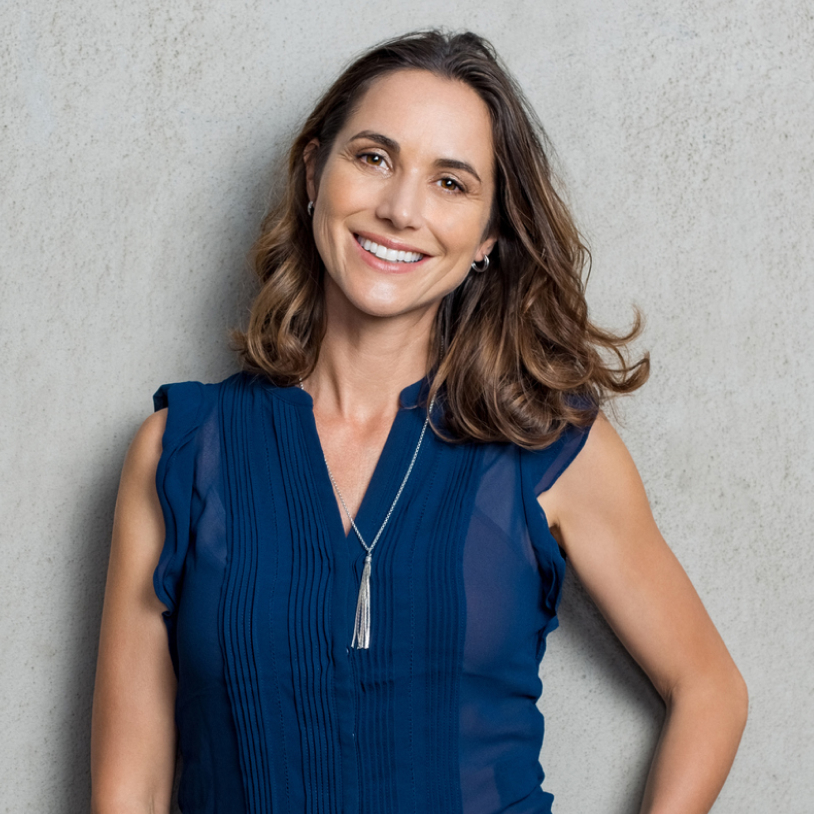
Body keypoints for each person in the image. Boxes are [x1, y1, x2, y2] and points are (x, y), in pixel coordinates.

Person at [90, 29, 747, 814]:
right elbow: (131, 789)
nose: (401, 210)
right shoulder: (182, 452)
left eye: (451, 183)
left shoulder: (550, 447)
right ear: (314, 173)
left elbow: (710, 689)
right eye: (374, 157)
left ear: (489, 235)